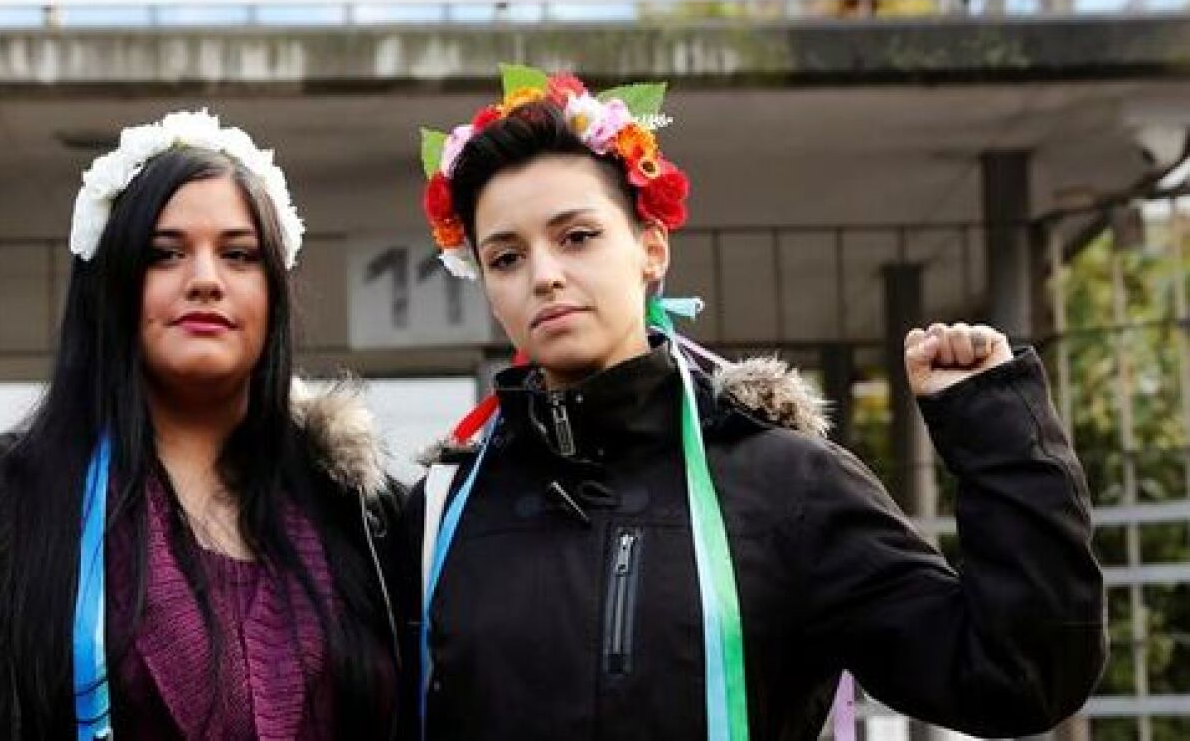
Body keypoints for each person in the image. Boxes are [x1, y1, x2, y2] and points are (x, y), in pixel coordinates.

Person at [399, 67, 1106, 739]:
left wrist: (993, 426)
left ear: (651, 248)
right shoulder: (440, 515)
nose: (544, 276)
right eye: (506, 257)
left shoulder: (784, 485)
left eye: (577, 237)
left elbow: (1015, 674)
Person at [0, 110, 402, 740]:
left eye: (238, 254)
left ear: (274, 292)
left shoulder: (368, 524)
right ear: (109, 288)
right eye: (164, 254)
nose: (205, 279)